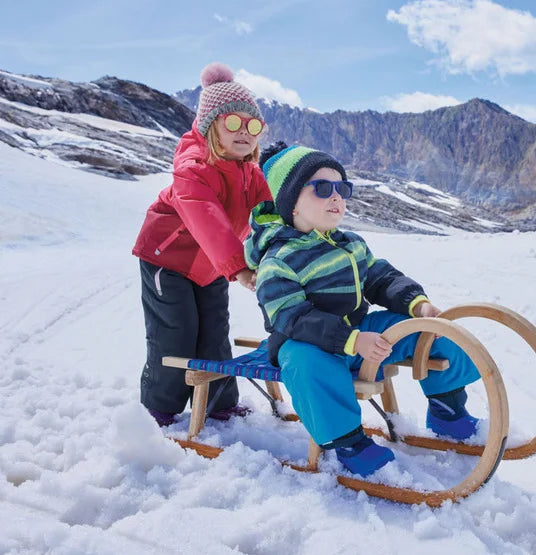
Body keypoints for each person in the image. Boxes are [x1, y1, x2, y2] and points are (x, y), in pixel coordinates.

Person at [244, 142, 481, 476]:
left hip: (359, 336)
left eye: (342, 188)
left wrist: (417, 303)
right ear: (289, 202)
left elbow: (380, 278)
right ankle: (348, 443)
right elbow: (292, 318)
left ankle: (448, 410)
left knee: (433, 330)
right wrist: (353, 340)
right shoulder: (277, 261)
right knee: (306, 366)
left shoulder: (350, 244)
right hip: (307, 343)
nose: (336, 197)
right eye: (322, 188)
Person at [133, 62, 272, 427]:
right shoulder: (193, 166)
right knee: (176, 331)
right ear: (211, 126)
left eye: (253, 125)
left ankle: (219, 403)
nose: (244, 131)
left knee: (214, 329)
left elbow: (269, 214)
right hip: (169, 259)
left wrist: (285, 252)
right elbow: (204, 217)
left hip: (212, 265)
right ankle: (160, 407)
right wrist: (239, 266)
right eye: (232, 122)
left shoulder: (251, 172)